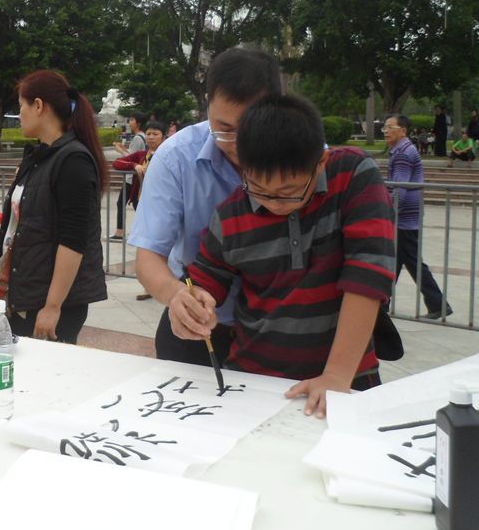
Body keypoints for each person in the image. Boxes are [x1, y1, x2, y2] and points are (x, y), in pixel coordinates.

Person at [176, 94, 396, 418]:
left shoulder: (352, 175)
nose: (273, 203)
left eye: (290, 192)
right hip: (253, 380)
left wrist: (337, 375)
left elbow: (368, 274)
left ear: (320, 162)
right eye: (258, 189)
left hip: (346, 379)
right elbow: (206, 278)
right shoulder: (230, 214)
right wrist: (190, 303)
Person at [130, 46, 282, 367]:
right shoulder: (176, 157)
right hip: (199, 329)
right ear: (208, 105)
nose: (238, 144)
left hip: (281, 333)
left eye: (251, 128)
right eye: (224, 128)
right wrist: (176, 296)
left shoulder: (303, 154)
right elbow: (148, 256)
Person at [0, 70, 107, 344]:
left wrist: (53, 306)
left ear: (39, 106)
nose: (19, 114)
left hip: (51, 303)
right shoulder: (40, 157)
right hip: (27, 293)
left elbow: (73, 240)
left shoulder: (73, 160)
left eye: (21, 105)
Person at [383, 115, 451, 319]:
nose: (385, 131)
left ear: (403, 130)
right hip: (407, 217)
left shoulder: (403, 153)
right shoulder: (404, 150)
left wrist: (389, 212)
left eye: (390, 127)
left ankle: (437, 304)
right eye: (384, 127)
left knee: (410, 262)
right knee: (397, 261)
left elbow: (401, 188)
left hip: (404, 218)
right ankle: (382, 304)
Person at [112, 120, 165, 301]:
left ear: (163, 136)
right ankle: (149, 286)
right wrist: (134, 166)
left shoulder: (167, 154)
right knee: (147, 246)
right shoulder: (142, 155)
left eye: (155, 134)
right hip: (142, 203)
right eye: (149, 133)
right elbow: (117, 163)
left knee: (162, 246)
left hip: (163, 206)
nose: (151, 137)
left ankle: (167, 284)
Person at [110, 111, 147, 241]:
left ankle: (120, 232)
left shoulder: (138, 138)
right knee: (135, 203)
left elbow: (131, 158)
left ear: (138, 123)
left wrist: (120, 150)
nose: (129, 122)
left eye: (132, 120)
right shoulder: (142, 136)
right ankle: (144, 231)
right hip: (136, 177)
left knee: (122, 203)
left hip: (132, 177)